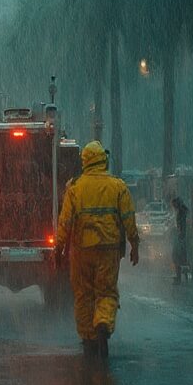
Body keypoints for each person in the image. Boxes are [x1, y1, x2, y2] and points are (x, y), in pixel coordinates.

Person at [55, 142, 139, 358]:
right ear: (103, 160)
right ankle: (103, 322)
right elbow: (128, 218)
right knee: (107, 292)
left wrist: (59, 247)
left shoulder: (75, 187)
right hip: (109, 249)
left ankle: (88, 338)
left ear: (85, 161)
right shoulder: (117, 186)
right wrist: (134, 244)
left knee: (83, 295)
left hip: (82, 249)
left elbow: (65, 221)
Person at [170, 195, 189, 284]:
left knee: (176, 257)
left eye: (173, 205)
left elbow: (181, 227)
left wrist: (179, 234)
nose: (173, 207)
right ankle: (182, 277)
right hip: (182, 238)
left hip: (181, 238)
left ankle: (179, 278)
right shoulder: (183, 212)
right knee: (181, 258)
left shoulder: (181, 213)